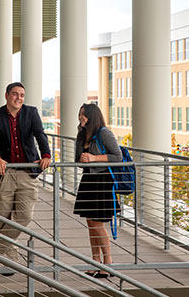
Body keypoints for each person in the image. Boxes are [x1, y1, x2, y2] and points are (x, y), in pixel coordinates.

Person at [0, 82, 51, 266]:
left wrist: (46, 155)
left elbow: (40, 134)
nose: (18, 98)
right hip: (4, 172)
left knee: (24, 216)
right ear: (6, 96)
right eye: (15, 94)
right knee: (4, 219)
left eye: (22, 95)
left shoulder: (31, 113)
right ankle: (10, 261)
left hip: (27, 171)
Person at [74, 103, 122, 279]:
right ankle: (95, 261)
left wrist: (94, 158)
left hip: (102, 181)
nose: (80, 117)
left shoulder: (104, 133)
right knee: (90, 224)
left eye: (84, 114)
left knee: (98, 224)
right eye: (80, 114)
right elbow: (77, 160)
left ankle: (108, 263)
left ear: (92, 116)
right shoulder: (81, 135)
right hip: (88, 180)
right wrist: (82, 159)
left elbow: (118, 157)